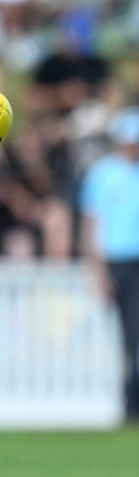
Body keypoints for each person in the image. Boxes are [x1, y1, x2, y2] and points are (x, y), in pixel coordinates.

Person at [79, 106, 139, 420]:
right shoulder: (104, 173)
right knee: (131, 335)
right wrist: (98, 270)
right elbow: (93, 223)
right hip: (120, 261)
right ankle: (131, 405)